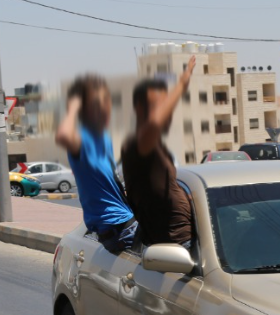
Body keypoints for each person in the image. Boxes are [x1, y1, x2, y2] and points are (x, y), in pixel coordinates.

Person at [55, 74, 137, 253]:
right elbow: (62, 135)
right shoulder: (81, 139)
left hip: (128, 223)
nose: (106, 108)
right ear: (84, 109)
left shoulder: (103, 138)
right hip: (120, 232)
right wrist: (73, 107)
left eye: (107, 101)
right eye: (98, 104)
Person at [121, 56, 197, 248]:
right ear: (139, 108)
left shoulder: (156, 147)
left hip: (184, 243)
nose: (168, 113)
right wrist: (182, 82)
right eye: (161, 107)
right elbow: (154, 123)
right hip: (174, 247)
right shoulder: (136, 144)